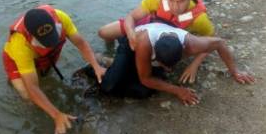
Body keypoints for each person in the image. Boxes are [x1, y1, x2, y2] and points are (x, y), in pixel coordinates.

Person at [2, 5, 106, 134]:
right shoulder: (20, 43)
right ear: (31, 34)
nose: (50, 41)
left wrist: (96, 67)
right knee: (28, 96)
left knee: (46, 78)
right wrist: (56, 115)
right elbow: (32, 87)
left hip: (45, 55)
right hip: (15, 60)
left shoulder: (61, 17)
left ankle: (43, 83)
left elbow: (81, 43)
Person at [98, 0, 215, 84]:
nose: (175, 7)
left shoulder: (200, 19)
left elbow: (211, 40)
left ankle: (119, 63)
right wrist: (130, 33)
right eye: (171, 0)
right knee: (103, 32)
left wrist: (194, 65)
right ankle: (110, 51)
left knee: (156, 63)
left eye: (180, 2)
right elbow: (131, 17)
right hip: (148, 25)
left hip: (168, 40)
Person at [100, 23, 255, 104]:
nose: (169, 69)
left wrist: (235, 72)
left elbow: (220, 43)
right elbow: (145, 79)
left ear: (184, 51)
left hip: (153, 59)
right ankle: (99, 64)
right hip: (131, 46)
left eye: (170, 66)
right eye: (165, 65)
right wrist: (178, 90)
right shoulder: (144, 44)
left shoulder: (192, 44)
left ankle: (122, 68)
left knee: (144, 92)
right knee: (108, 86)